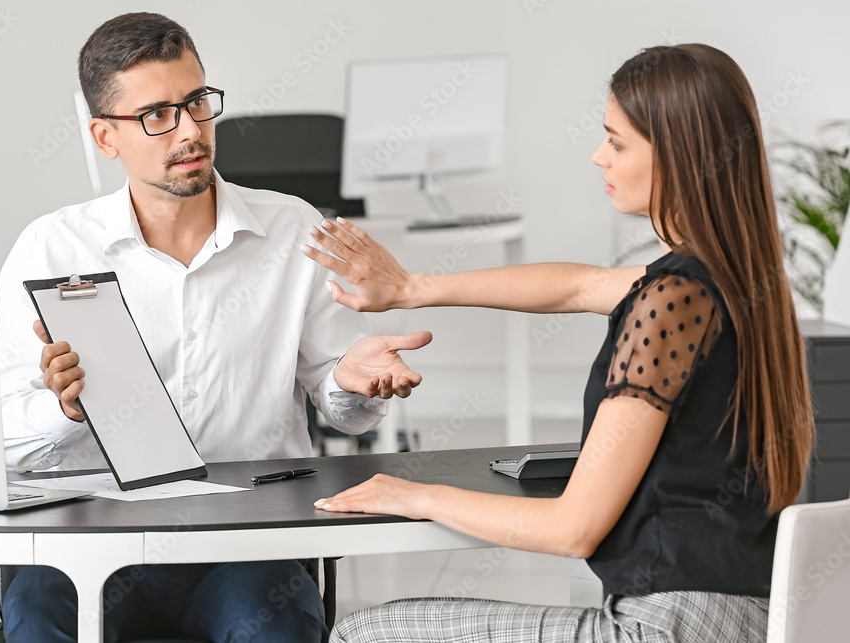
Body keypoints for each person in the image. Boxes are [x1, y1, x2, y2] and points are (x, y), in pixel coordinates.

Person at [303, 43, 815, 642]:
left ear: (680, 156)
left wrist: (415, 495)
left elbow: (574, 529)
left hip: (668, 627)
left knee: (367, 633)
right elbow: (577, 287)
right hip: (744, 618)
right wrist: (410, 287)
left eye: (618, 143)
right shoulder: (736, 280)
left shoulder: (673, 299)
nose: (599, 156)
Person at [0, 11, 431, 643]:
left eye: (198, 102)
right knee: (36, 624)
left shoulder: (293, 232)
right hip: (90, 540)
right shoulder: (51, 249)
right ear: (105, 137)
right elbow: (1, 441)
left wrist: (353, 383)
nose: (190, 131)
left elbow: (345, 413)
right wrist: (66, 412)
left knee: (277, 629)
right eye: (157, 115)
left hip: (245, 544)